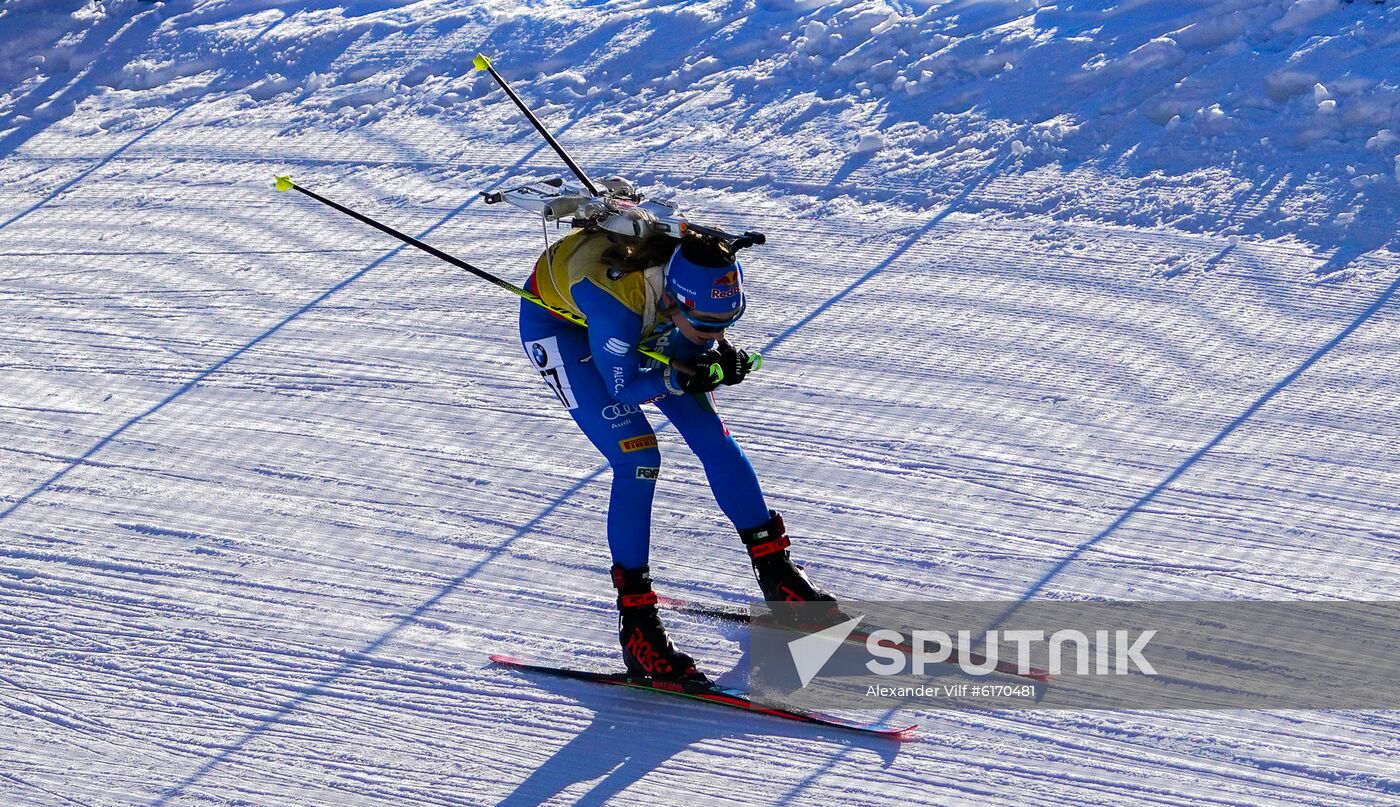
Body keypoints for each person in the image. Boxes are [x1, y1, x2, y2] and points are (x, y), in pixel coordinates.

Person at [518, 222, 836, 683]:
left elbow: (700, 334)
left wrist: (718, 354)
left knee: (712, 435)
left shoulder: (688, 281)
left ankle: (777, 575)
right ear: (672, 299)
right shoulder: (618, 306)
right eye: (707, 326)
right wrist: (676, 376)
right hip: (562, 329)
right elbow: (622, 388)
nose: (714, 335)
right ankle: (638, 629)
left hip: (647, 320)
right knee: (638, 459)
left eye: (725, 324)